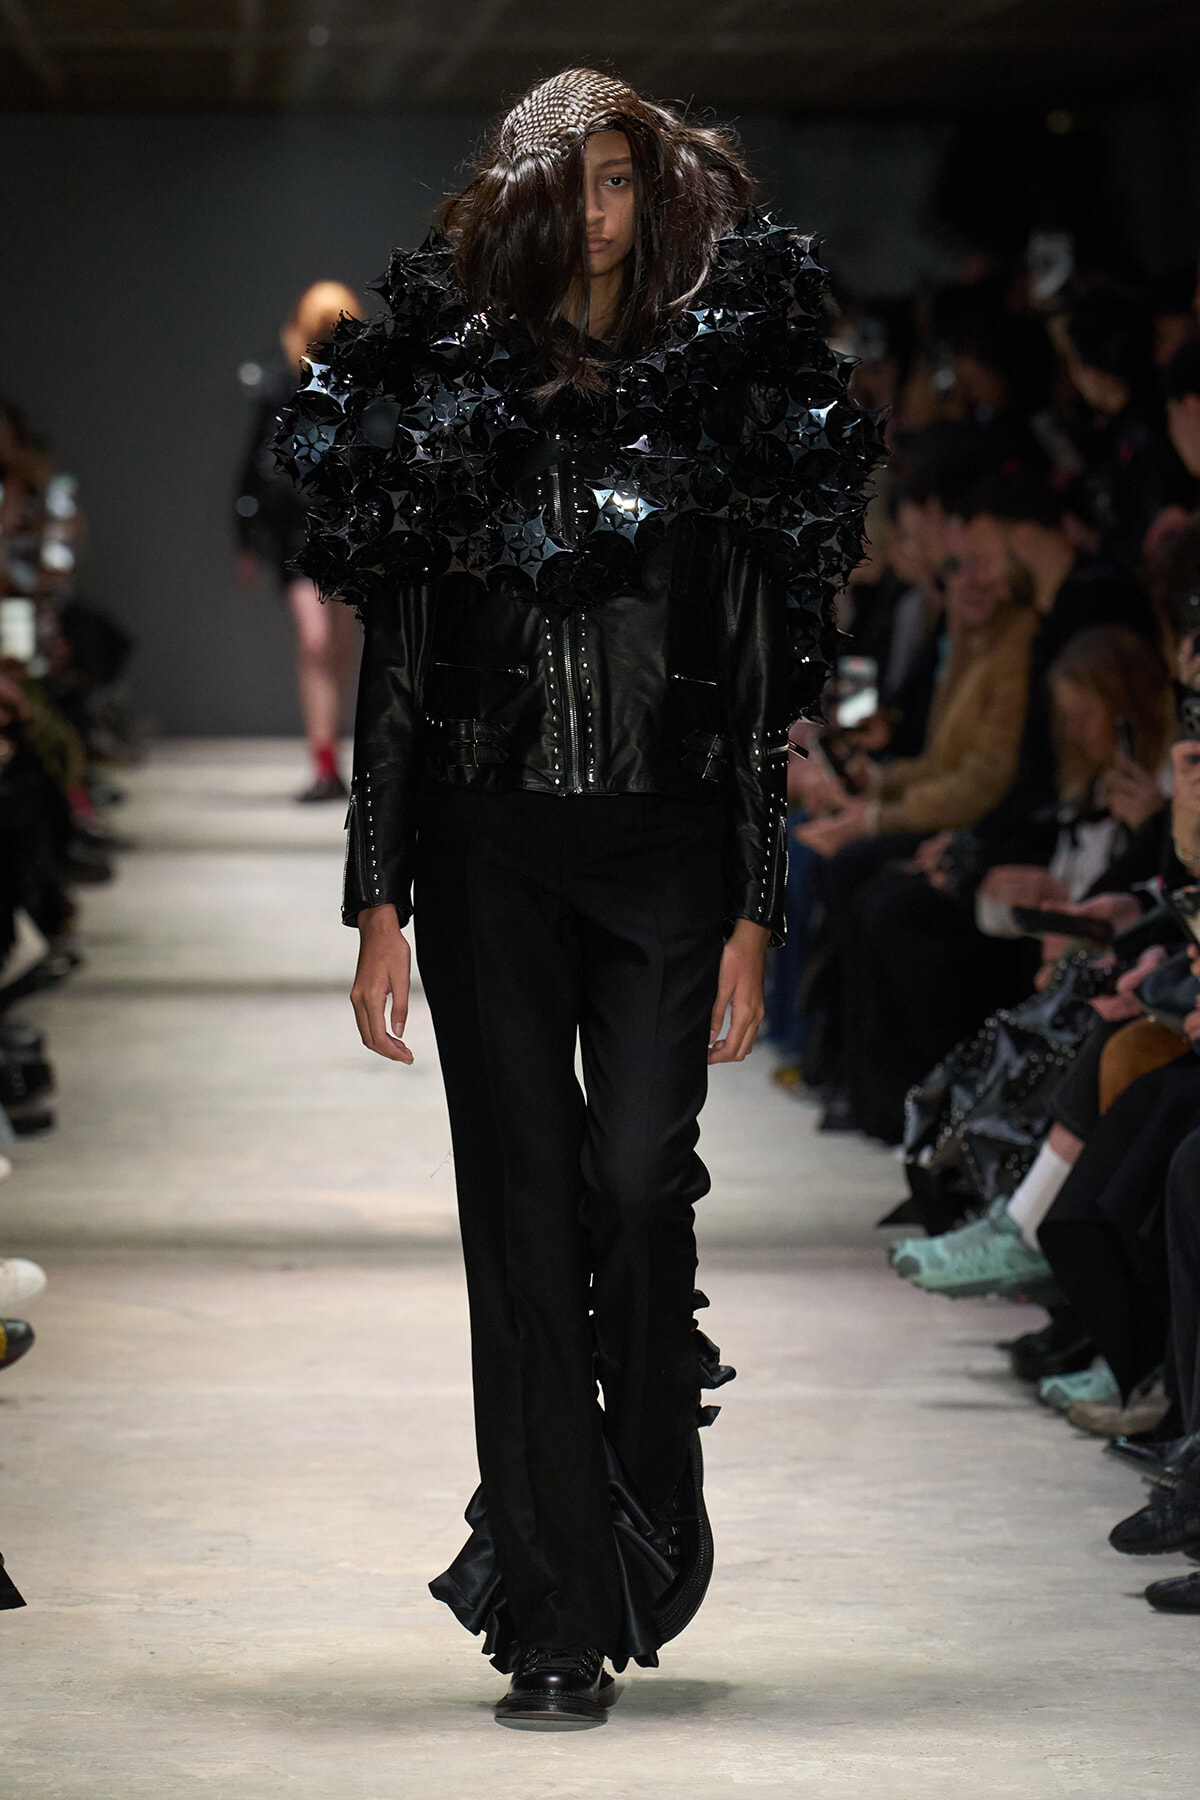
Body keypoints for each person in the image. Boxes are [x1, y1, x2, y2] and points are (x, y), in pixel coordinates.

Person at [277, 68, 875, 1728]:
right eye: (575, 183)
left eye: (620, 181)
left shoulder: (716, 390)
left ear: (649, 193)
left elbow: (754, 673)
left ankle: (645, 1482)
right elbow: (402, 659)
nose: (599, 213)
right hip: (489, 852)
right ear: (525, 198)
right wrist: (377, 898)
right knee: (525, 1219)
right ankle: (554, 1612)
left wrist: (756, 902)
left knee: (635, 1185)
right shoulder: (449, 391)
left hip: (668, 854)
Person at [235, 281, 363, 801]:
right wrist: (245, 538)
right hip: (295, 532)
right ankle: (324, 761)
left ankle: (334, 758)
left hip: (347, 533)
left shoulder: (363, 383)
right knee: (316, 641)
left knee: (339, 648)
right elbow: (254, 463)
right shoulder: (279, 381)